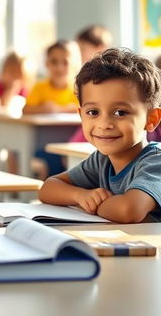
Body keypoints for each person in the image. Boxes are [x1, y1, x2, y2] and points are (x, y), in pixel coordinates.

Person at [39, 48, 161, 222]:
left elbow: (128, 211)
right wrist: (81, 196)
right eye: (93, 112)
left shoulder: (155, 162)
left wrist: (91, 204)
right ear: (81, 114)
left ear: (152, 118)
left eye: (120, 112)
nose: (104, 125)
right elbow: (48, 188)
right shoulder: (102, 160)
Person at [23, 40, 81, 114]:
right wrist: (42, 109)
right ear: (46, 63)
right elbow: (25, 110)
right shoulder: (39, 88)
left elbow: (85, 110)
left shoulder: (78, 90)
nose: (59, 68)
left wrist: (59, 109)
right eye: (54, 62)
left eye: (65, 62)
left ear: (73, 64)